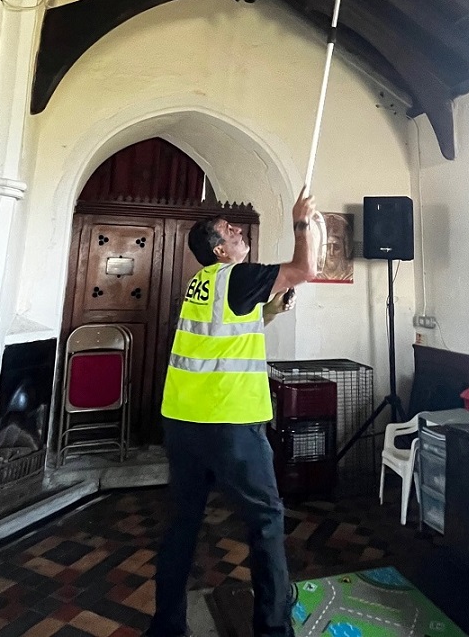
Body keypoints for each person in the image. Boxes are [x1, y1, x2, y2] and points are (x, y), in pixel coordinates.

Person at [146, 188, 317, 637]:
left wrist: (275, 307)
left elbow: (239, 329)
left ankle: (165, 627)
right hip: (229, 425)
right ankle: (273, 629)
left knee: (182, 523)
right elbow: (306, 269)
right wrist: (302, 223)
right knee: (266, 520)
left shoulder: (201, 284)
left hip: (183, 423)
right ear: (221, 250)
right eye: (229, 230)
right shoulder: (237, 277)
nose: (238, 230)